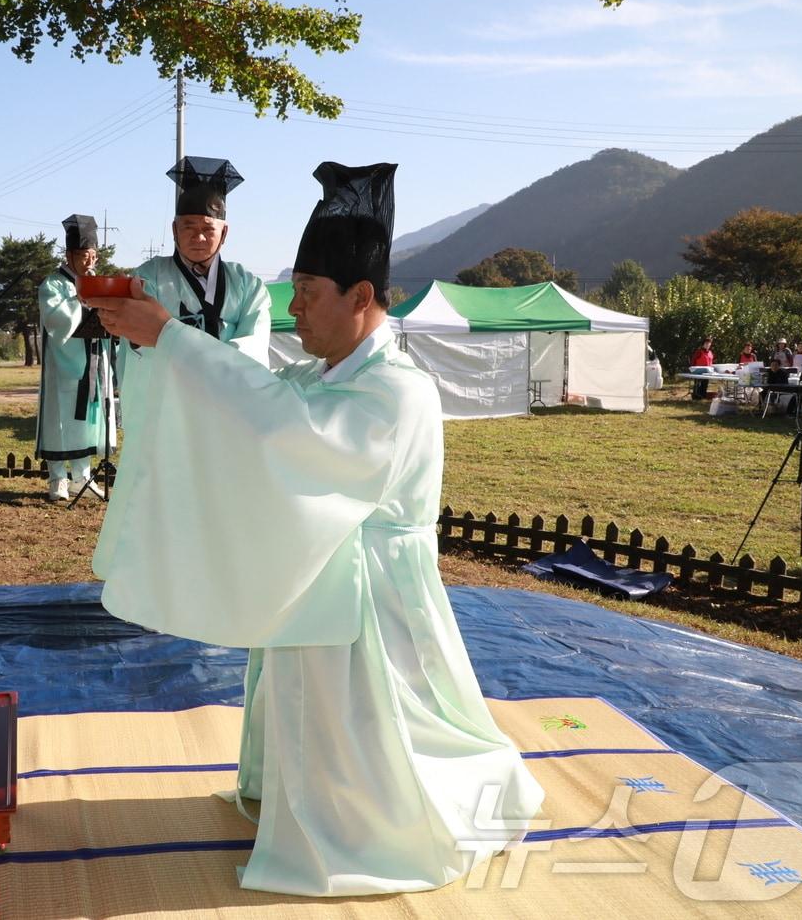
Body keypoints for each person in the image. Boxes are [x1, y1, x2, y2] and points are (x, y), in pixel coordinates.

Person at [87, 161, 543, 896]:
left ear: (361, 298)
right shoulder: (325, 375)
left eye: (307, 294)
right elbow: (257, 398)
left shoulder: (397, 390)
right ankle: (294, 799)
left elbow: (280, 426)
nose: (292, 308)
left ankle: (371, 823)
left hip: (375, 604)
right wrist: (157, 339)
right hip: (319, 583)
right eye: (291, 291)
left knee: (384, 747)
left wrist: (172, 337)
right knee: (311, 728)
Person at [119, 156, 272, 439]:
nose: (198, 238)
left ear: (224, 233)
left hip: (229, 413)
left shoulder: (248, 285)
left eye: (207, 229)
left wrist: (175, 339)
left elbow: (254, 349)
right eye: (188, 227)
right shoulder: (148, 277)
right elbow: (138, 343)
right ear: (174, 230)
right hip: (166, 413)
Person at [35, 214, 112, 502]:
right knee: (59, 419)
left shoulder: (96, 281)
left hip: (92, 361)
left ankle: (83, 477)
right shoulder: (53, 284)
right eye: (82, 256)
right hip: (62, 365)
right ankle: (57, 479)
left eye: (93, 255)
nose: (89, 262)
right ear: (69, 255)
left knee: (88, 421)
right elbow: (56, 321)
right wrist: (80, 298)